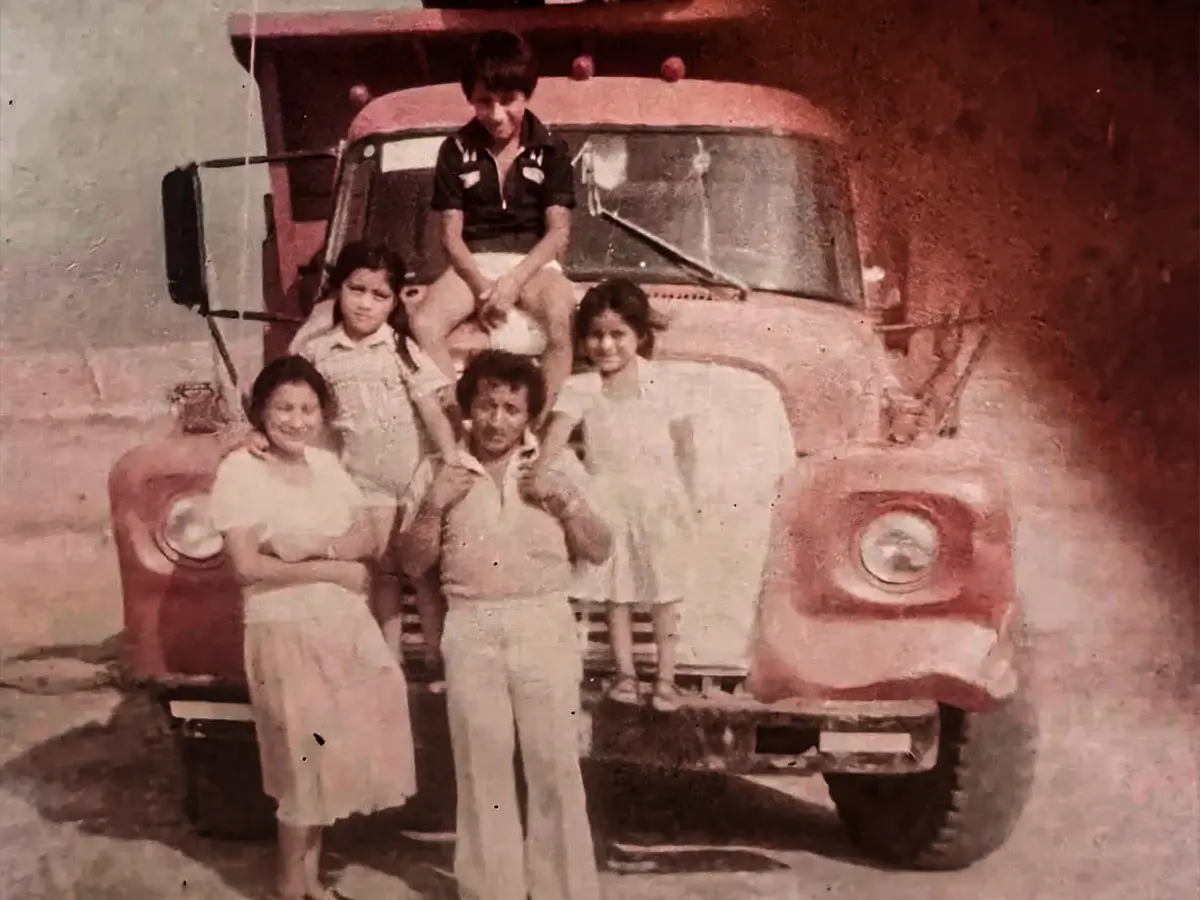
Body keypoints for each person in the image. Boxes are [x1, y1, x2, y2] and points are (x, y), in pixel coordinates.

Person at [395, 350, 612, 900]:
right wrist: (432, 509)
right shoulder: (436, 470)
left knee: (554, 763)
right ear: (467, 408)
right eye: (486, 405)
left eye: (511, 408)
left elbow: (599, 547)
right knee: (480, 766)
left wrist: (561, 499)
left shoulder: (556, 466)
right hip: (470, 625)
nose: (497, 420)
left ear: (529, 416)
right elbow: (412, 563)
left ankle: (563, 891)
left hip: (542, 620)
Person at [209, 356, 416, 900]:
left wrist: (310, 546)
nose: (295, 420)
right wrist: (333, 567)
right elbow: (247, 566)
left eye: (307, 409)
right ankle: (288, 883)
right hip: (284, 627)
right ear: (261, 410)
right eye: (283, 408)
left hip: (343, 627)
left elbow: (366, 537)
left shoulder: (326, 466)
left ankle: (309, 881)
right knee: (303, 761)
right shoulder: (240, 470)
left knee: (330, 757)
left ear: (322, 415)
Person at [241, 241, 460, 666]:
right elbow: (289, 402)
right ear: (337, 291)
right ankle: (389, 662)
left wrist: (449, 457)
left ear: (394, 301)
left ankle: (438, 659)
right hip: (364, 481)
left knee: (425, 574)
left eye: (379, 296)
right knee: (383, 574)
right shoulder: (319, 353)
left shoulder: (400, 348)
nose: (365, 305)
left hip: (414, 476)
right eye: (356, 290)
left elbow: (430, 407)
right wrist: (260, 433)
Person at [536, 279, 699, 713]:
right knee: (616, 592)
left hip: (658, 500)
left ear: (640, 336)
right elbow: (554, 438)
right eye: (595, 335)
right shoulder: (582, 388)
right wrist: (537, 471)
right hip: (608, 498)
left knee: (663, 591)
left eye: (617, 334)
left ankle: (666, 678)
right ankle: (626, 674)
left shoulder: (662, 382)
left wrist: (688, 497)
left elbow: (685, 446)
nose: (606, 345)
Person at [413, 29, 578, 418]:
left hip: (532, 265)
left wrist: (514, 282)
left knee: (561, 319)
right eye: (484, 102)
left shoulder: (552, 148)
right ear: (470, 98)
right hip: (474, 262)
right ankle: (460, 419)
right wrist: (483, 288)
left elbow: (558, 231)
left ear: (527, 95)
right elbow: (450, 236)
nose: (496, 114)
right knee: (423, 322)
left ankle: (537, 425)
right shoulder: (454, 150)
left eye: (508, 101)